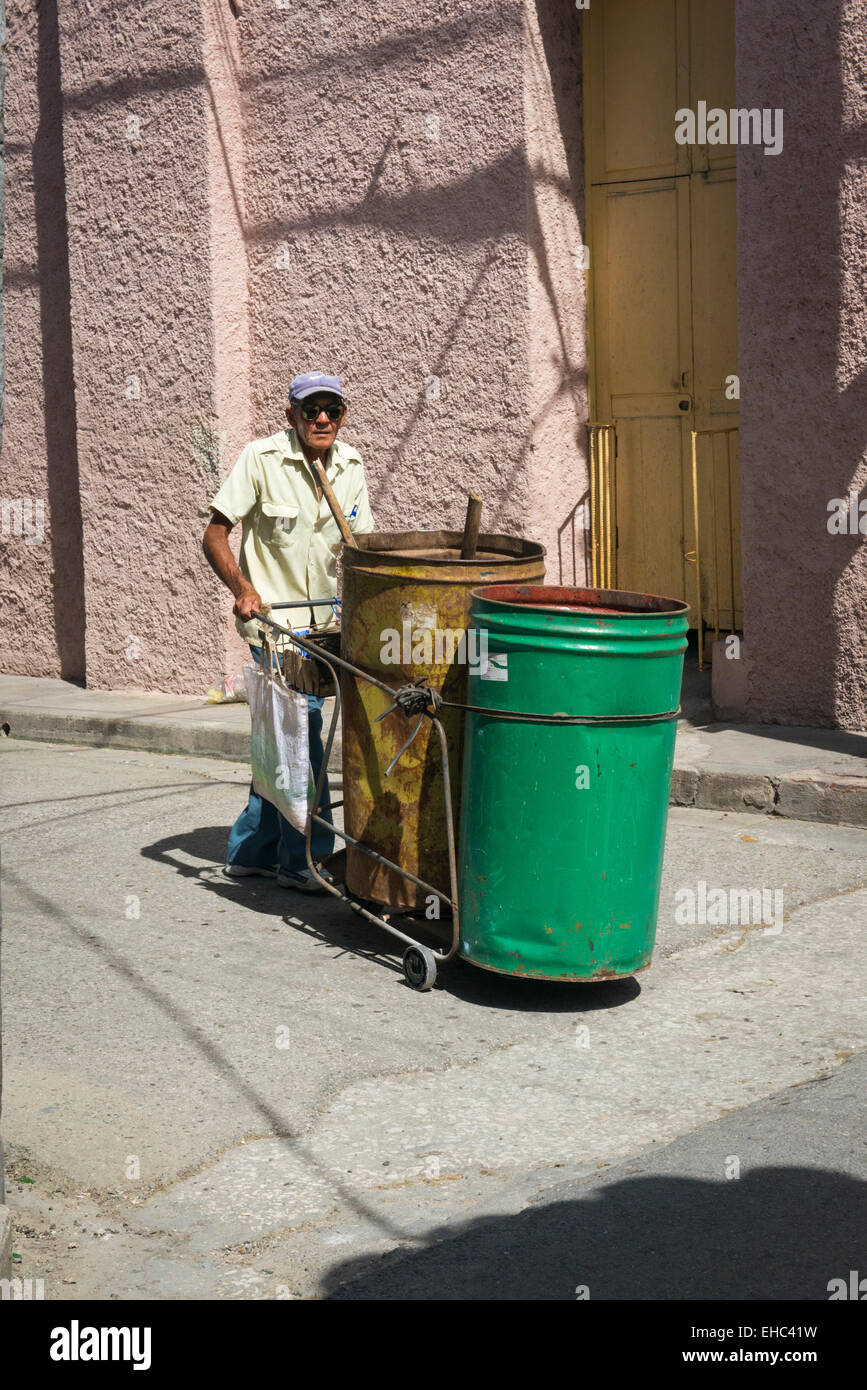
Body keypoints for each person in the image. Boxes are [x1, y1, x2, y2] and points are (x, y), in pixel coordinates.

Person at [203, 371, 374, 889]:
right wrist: (242, 588)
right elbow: (214, 534)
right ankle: (306, 860)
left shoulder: (350, 465)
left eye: (332, 410)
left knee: (280, 741)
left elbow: (360, 548)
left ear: (342, 415)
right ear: (291, 415)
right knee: (303, 735)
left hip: (326, 625)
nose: (322, 419)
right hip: (274, 628)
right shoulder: (261, 459)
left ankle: (251, 850)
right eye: (310, 410)